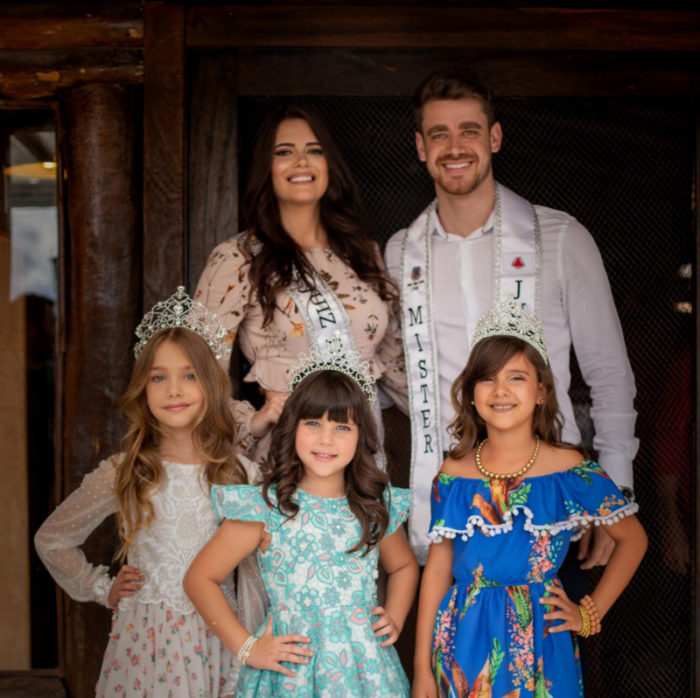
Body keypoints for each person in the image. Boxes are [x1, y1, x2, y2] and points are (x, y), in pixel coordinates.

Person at [384, 69, 638, 565]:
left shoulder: (560, 238)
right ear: (420, 147)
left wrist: (615, 494)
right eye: (439, 134)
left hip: (550, 503)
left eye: (469, 131)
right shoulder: (399, 253)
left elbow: (609, 374)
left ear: (495, 137)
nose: (454, 147)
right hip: (447, 504)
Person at [412, 299, 647, 697]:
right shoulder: (453, 473)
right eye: (487, 378)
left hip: (540, 637)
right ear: (471, 394)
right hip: (463, 641)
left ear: (540, 392)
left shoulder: (569, 468)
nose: (500, 390)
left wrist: (589, 614)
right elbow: (437, 571)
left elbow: (633, 540)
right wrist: (421, 669)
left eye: (516, 377)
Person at [34, 287, 263, 697]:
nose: (173, 390)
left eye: (189, 375)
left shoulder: (239, 473)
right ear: (142, 388)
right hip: (146, 647)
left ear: (211, 385)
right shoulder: (125, 471)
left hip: (218, 640)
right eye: (158, 377)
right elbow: (51, 539)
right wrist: (101, 587)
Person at [184, 361, 419, 697]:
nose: (326, 439)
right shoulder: (265, 508)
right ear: (292, 428)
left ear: (361, 436)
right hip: (292, 676)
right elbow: (199, 579)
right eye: (313, 423)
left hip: (365, 672)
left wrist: (394, 616)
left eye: (342, 427)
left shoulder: (372, 506)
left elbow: (404, 566)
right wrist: (248, 648)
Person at [195, 104, 407, 463]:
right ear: (266, 168)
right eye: (284, 152)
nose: (301, 162)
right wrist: (255, 420)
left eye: (314, 150)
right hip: (289, 461)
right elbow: (196, 377)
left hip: (363, 460)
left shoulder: (362, 252)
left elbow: (395, 364)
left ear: (329, 164)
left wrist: (461, 420)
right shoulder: (238, 258)